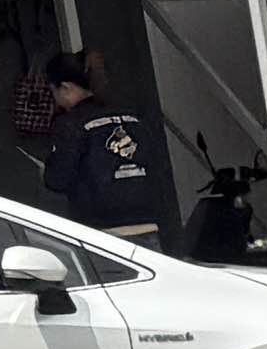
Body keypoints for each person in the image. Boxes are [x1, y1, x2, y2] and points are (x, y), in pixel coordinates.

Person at [36, 45, 172, 247]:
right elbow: (158, 166)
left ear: (65, 88)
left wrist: (46, 171)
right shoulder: (132, 117)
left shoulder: (72, 124)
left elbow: (58, 179)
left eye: (53, 91)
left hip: (102, 234)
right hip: (148, 224)